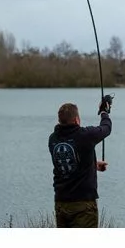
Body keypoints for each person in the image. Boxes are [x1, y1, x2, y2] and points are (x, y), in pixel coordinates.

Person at [48, 96, 113, 228]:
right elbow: (106, 128)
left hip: (61, 203)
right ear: (77, 119)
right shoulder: (84, 135)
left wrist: (93, 164)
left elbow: (67, 163)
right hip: (83, 204)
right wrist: (104, 112)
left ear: (59, 121)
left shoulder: (53, 139)